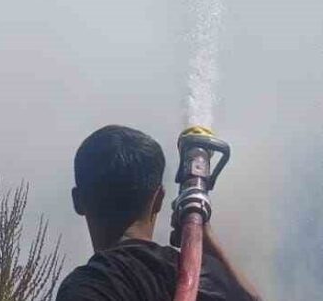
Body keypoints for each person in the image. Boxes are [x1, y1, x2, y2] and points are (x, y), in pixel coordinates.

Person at [56, 125, 262, 301]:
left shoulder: (91, 285)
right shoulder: (207, 279)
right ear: (159, 199)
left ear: (78, 201)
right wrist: (207, 241)